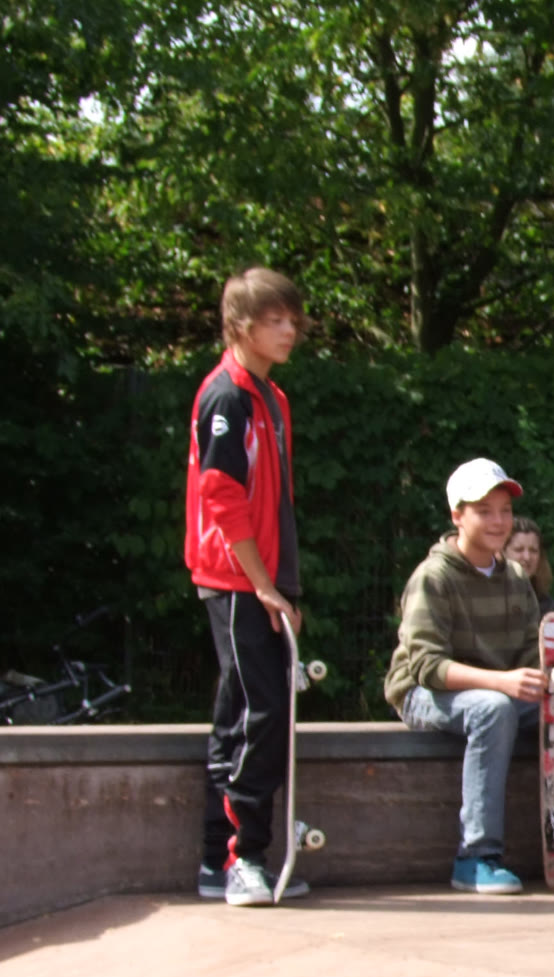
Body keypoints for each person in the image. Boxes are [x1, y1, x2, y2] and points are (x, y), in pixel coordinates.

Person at [384, 458, 554, 894]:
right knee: (493, 709)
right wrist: (500, 682)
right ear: (457, 516)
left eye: (505, 511)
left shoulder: (514, 576)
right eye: (484, 511)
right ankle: (475, 856)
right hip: (424, 693)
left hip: (498, 689)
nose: (498, 521)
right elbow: (427, 667)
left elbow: (534, 654)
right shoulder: (433, 578)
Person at [187, 267, 314, 907]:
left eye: (293, 319)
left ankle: (219, 857)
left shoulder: (271, 397)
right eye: (275, 320)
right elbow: (222, 497)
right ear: (240, 326)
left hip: (262, 579)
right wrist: (263, 586)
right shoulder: (227, 398)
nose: (289, 331)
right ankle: (245, 857)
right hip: (236, 581)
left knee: (242, 711)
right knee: (262, 712)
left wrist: (283, 585)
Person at [507, 516, 554, 615]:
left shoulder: (547, 605)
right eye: (519, 549)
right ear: (502, 553)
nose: (527, 557)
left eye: (533, 550)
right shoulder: (489, 597)